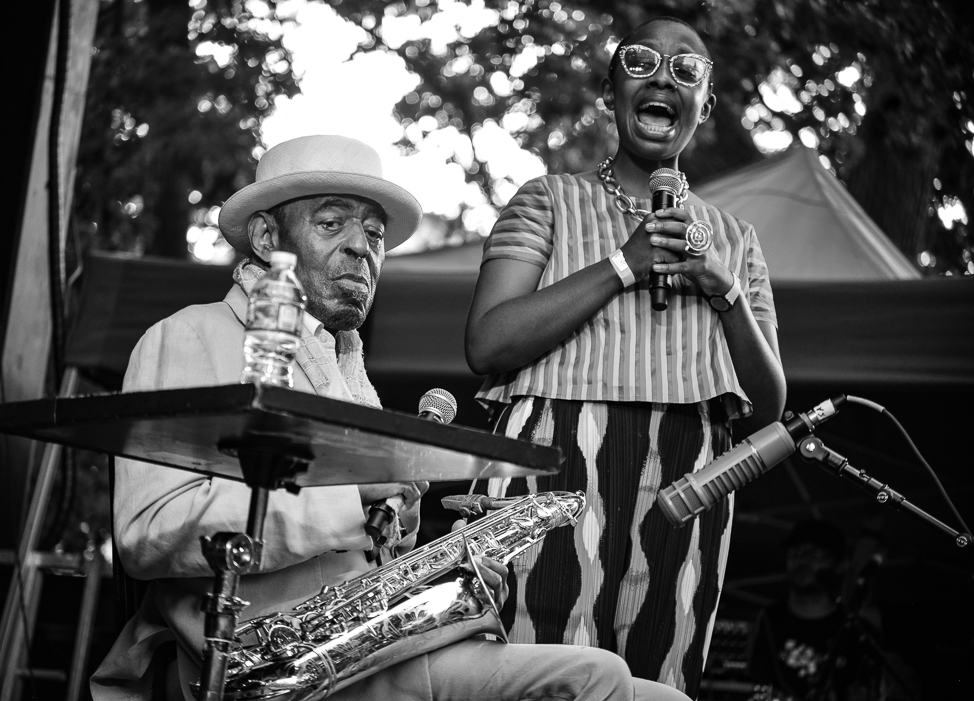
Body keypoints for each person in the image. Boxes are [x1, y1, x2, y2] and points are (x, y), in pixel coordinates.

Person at [90, 134, 690, 701]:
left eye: (374, 234)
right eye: (332, 224)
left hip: (371, 650)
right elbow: (148, 534)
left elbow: (362, 549)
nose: (362, 247)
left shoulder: (351, 370)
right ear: (267, 235)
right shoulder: (188, 335)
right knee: (600, 674)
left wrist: (448, 559)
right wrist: (352, 493)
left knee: (666, 697)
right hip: (267, 660)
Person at [464, 16, 787, 698]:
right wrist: (623, 263)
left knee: (659, 677)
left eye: (687, 70)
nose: (664, 77)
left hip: (691, 471)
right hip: (552, 453)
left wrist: (723, 288)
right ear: (612, 92)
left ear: (707, 105)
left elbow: (770, 407)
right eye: (642, 62)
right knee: (543, 670)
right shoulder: (548, 200)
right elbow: (487, 343)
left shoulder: (736, 239)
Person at [747, 520, 913, 701]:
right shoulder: (767, 619)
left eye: (817, 554)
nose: (804, 560)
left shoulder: (856, 630)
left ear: (840, 565)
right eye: (797, 552)